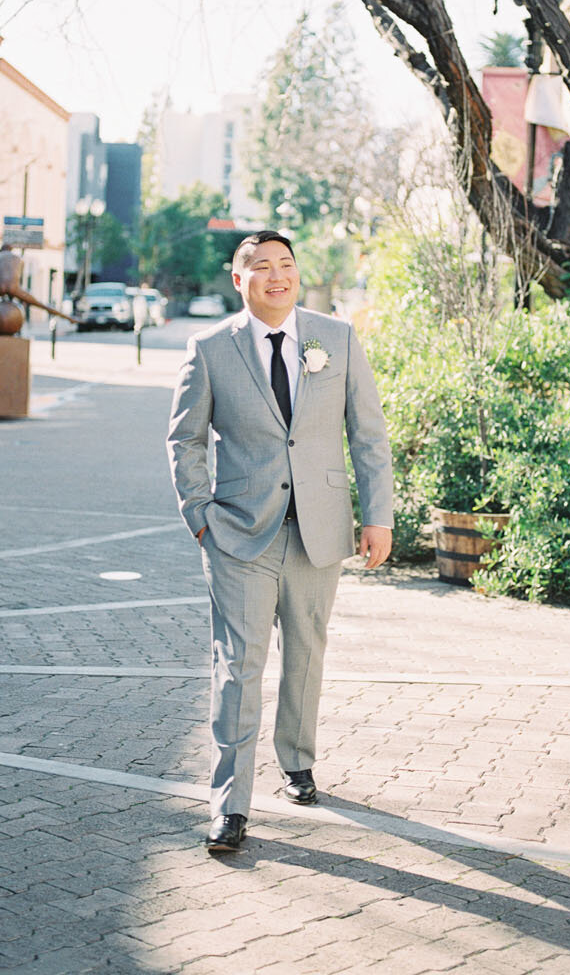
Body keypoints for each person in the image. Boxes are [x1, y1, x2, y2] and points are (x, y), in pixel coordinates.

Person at [166, 230, 394, 854]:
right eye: (260, 266)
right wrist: (200, 517)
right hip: (239, 533)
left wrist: (379, 517)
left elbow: (368, 435)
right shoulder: (210, 348)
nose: (276, 275)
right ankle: (230, 804)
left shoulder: (335, 338)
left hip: (319, 530)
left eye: (286, 265)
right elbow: (184, 440)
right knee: (238, 667)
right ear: (237, 280)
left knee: (307, 653)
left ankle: (297, 761)